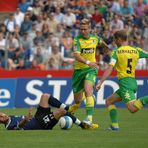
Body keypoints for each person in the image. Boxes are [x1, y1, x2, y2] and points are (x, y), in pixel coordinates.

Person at [95, 30, 148, 131]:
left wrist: (100, 82)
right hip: (132, 81)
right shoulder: (136, 50)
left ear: (119, 39)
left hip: (125, 84)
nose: (114, 42)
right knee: (109, 101)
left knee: (132, 108)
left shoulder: (117, 52)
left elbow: (110, 68)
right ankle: (114, 126)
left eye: (115, 40)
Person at [71, 18, 109, 128]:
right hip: (78, 71)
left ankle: (89, 119)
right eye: (81, 29)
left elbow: (104, 45)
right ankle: (87, 98)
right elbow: (76, 55)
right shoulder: (77, 40)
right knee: (77, 100)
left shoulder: (95, 39)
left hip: (91, 69)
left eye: (85, 29)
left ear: (90, 29)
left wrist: (106, 52)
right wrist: (88, 62)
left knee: (88, 89)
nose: (82, 31)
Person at [0, 93, 92, 130]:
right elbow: (19, 127)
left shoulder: (10, 117)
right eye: (0, 117)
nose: (3, 115)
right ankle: (82, 125)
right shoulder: (9, 126)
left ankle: (68, 109)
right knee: (61, 111)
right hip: (41, 124)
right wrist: (26, 119)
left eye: (1, 113)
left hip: (37, 117)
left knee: (45, 96)